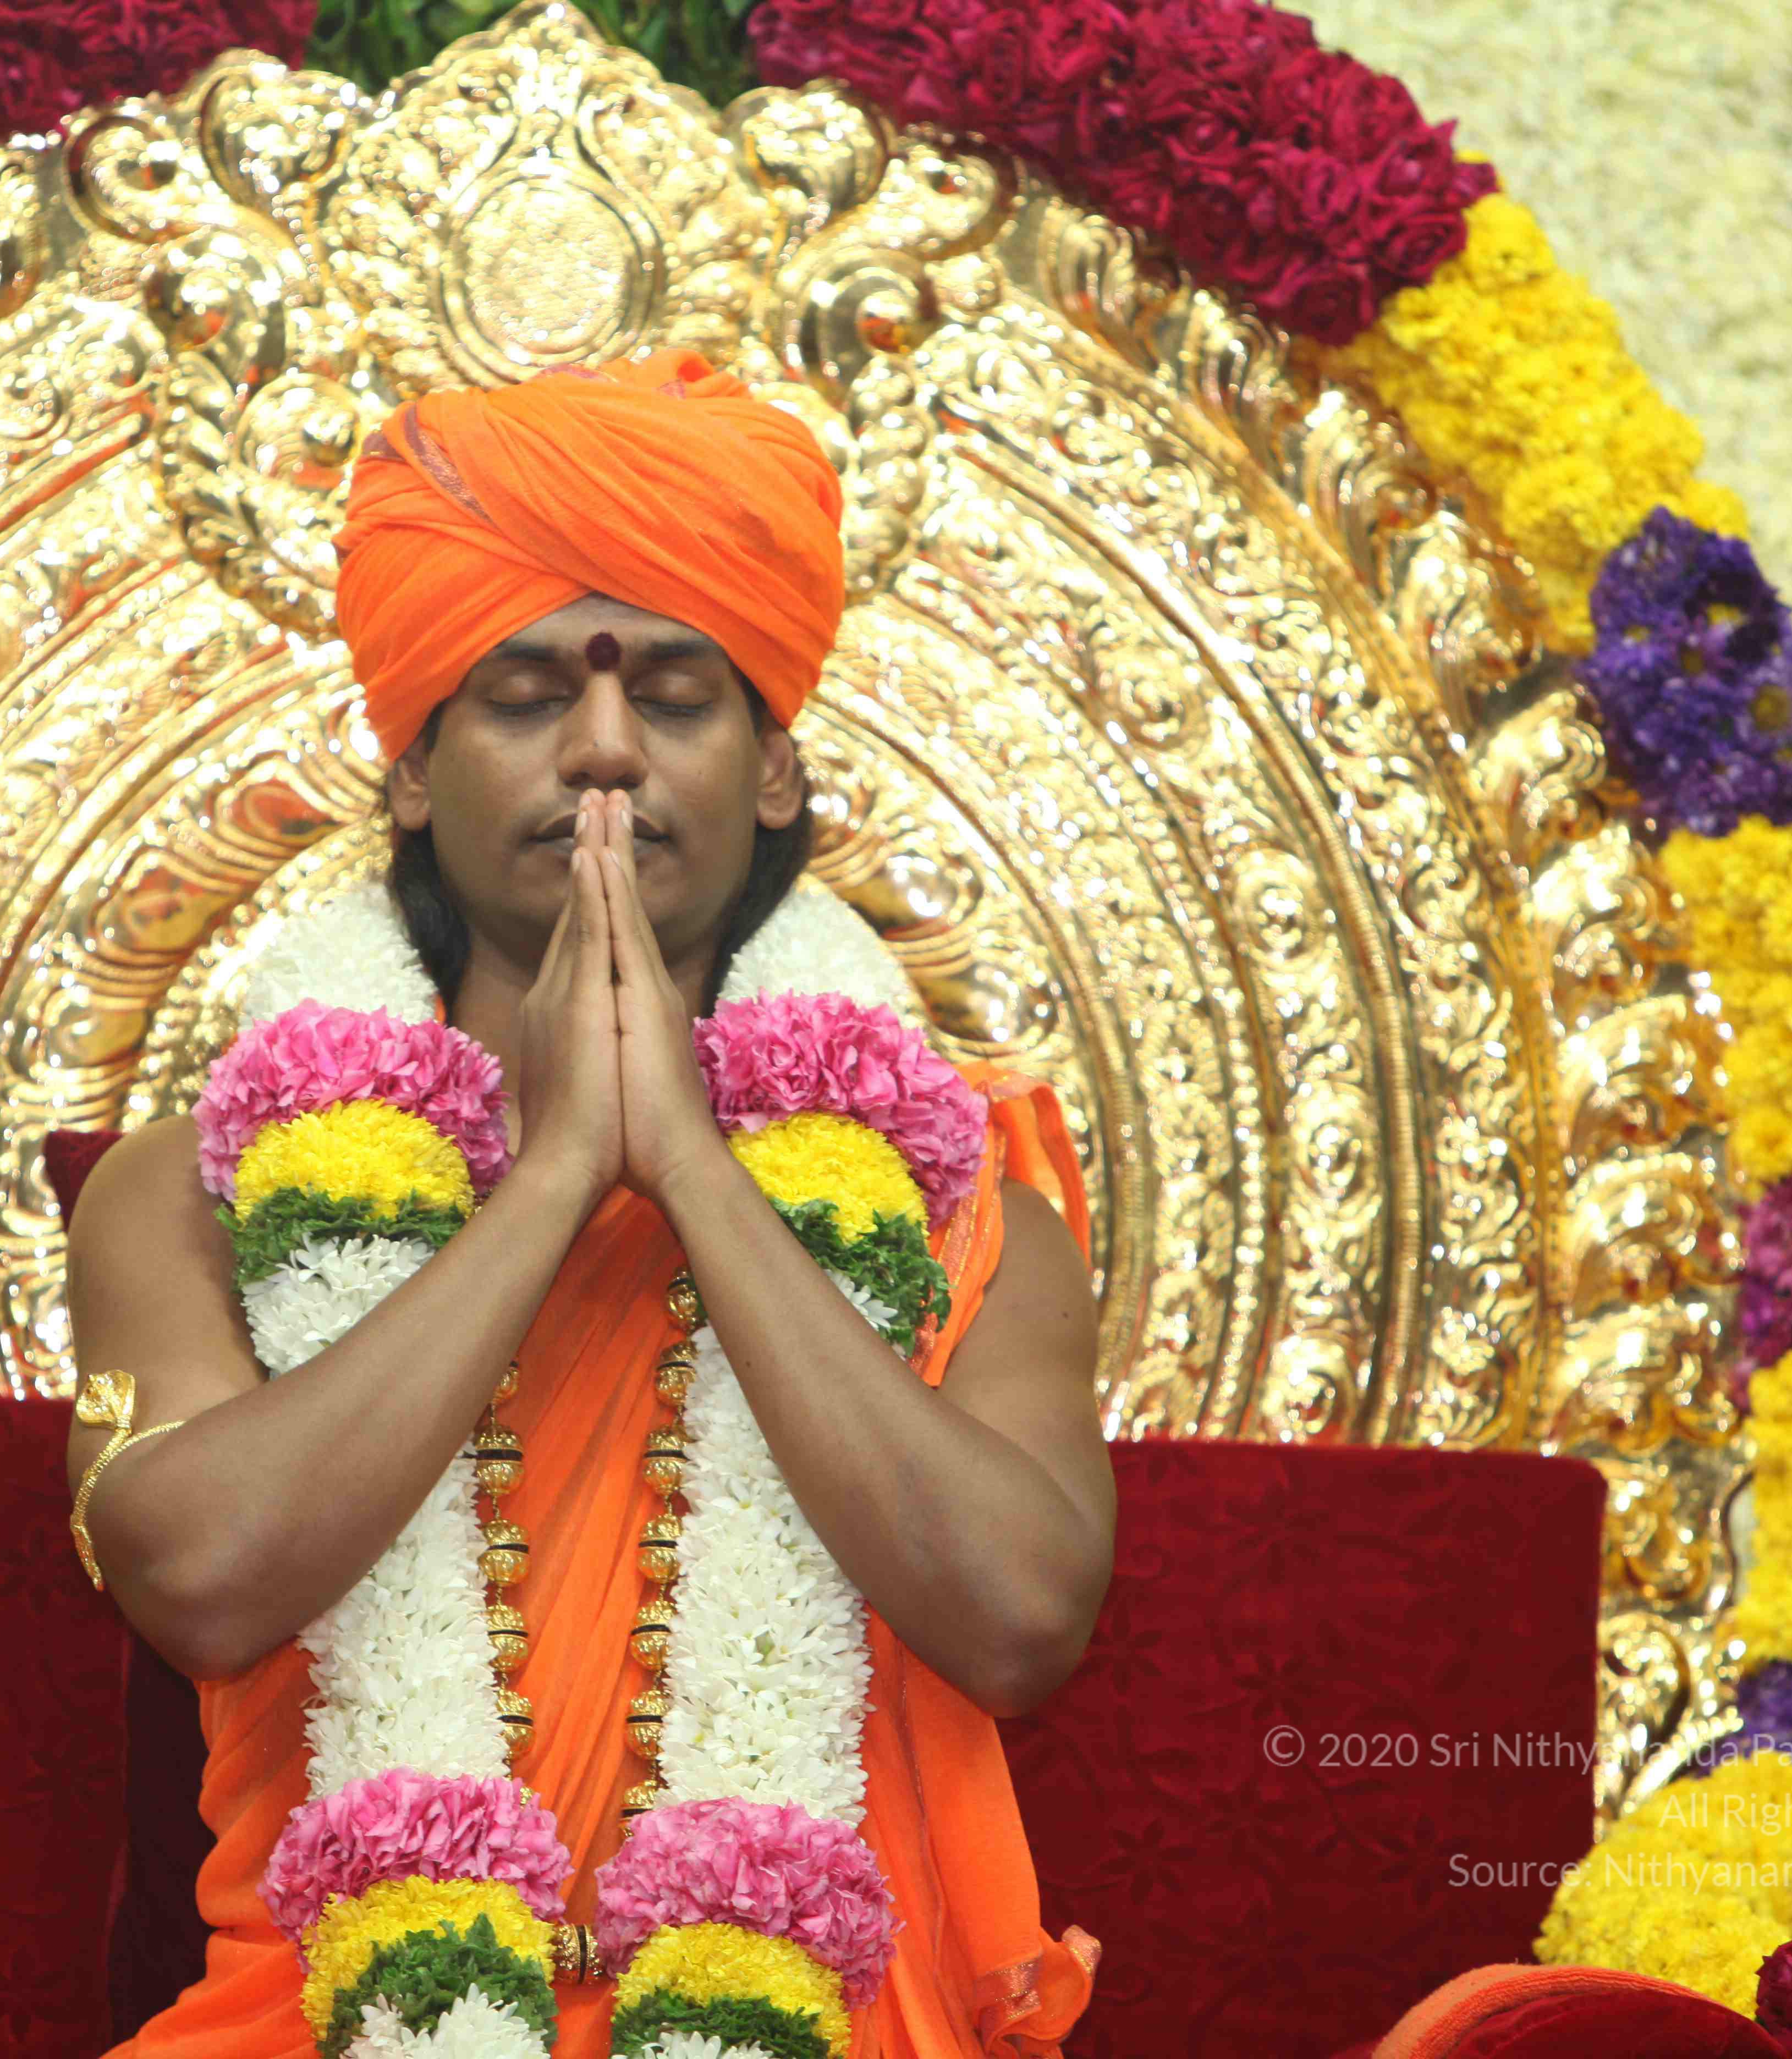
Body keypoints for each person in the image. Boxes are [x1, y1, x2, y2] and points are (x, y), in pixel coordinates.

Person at [66, 350, 1113, 2059]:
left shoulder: (961, 1204)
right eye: (526, 693)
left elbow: (1019, 1620)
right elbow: (202, 1577)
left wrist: (690, 1168)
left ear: (774, 773)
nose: (608, 749)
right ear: (413, 770)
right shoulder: (185, 1195)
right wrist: (555, 1177)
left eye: (679, 697)